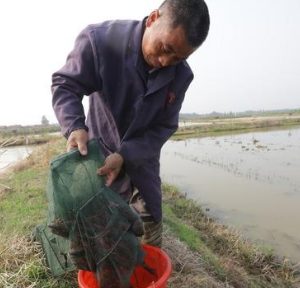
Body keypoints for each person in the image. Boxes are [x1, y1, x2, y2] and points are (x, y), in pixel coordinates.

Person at [52, 0, 210, 248]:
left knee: (149, 229)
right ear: (153, 19)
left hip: (141, 159)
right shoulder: (100, 41)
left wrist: (125, 155)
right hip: (100, 156)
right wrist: (74, 126)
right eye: (165, 48)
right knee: (100, 228)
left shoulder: (181, 75)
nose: (166, 61)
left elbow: (163, 127)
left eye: (178, 58)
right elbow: (66, 85)